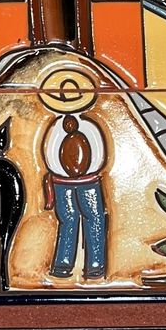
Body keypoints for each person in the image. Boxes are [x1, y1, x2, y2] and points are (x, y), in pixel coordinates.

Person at [42, 111, 110, 279]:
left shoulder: (88, 125)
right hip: (63, 182)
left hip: (87, 182)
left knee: (92, 219)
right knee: (69, 220)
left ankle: (93, 264)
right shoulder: (57, 126)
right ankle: (64, 264)